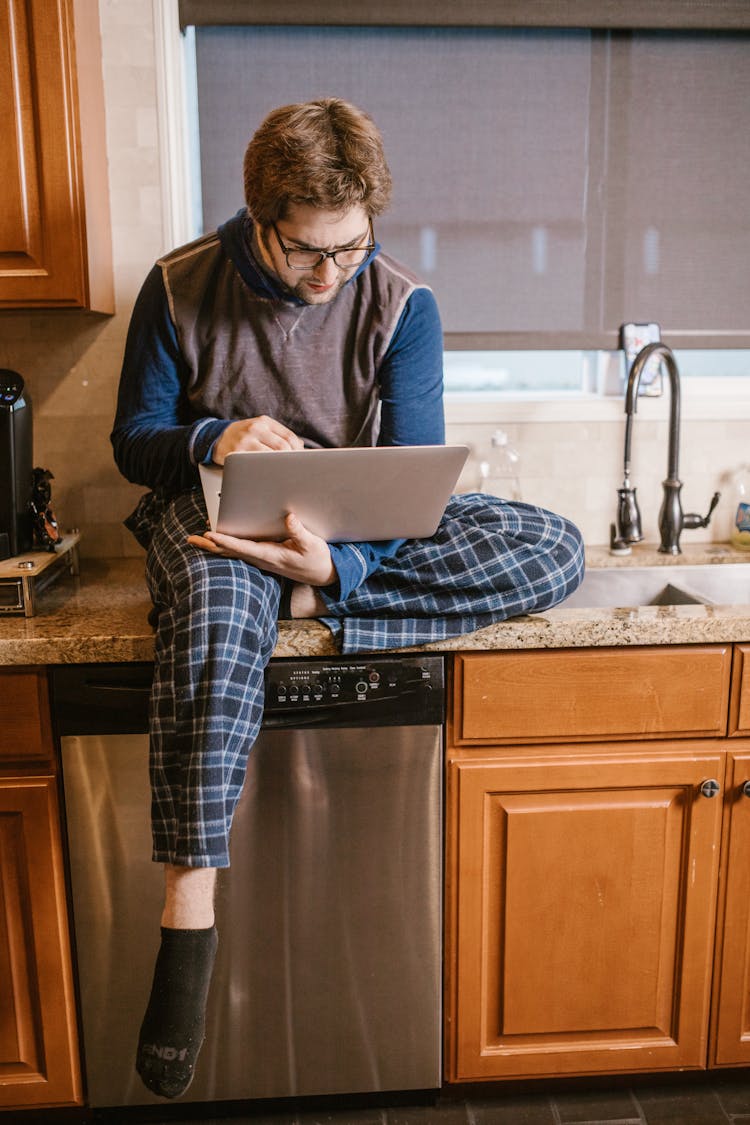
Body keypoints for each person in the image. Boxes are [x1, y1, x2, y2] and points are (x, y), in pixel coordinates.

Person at [111, 97, 584, 1100]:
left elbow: (416, 479)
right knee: (219, 601)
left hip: (352, 533)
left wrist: (341, 570)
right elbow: (134, 443)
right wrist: (213, 439)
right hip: (214, 517)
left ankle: (315, 599)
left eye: (352, 248)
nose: (330, 276)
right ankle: (188, 907)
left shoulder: (403, 304)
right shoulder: (177, 286)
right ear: (258, 222)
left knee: (549, 543)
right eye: (305, 254)